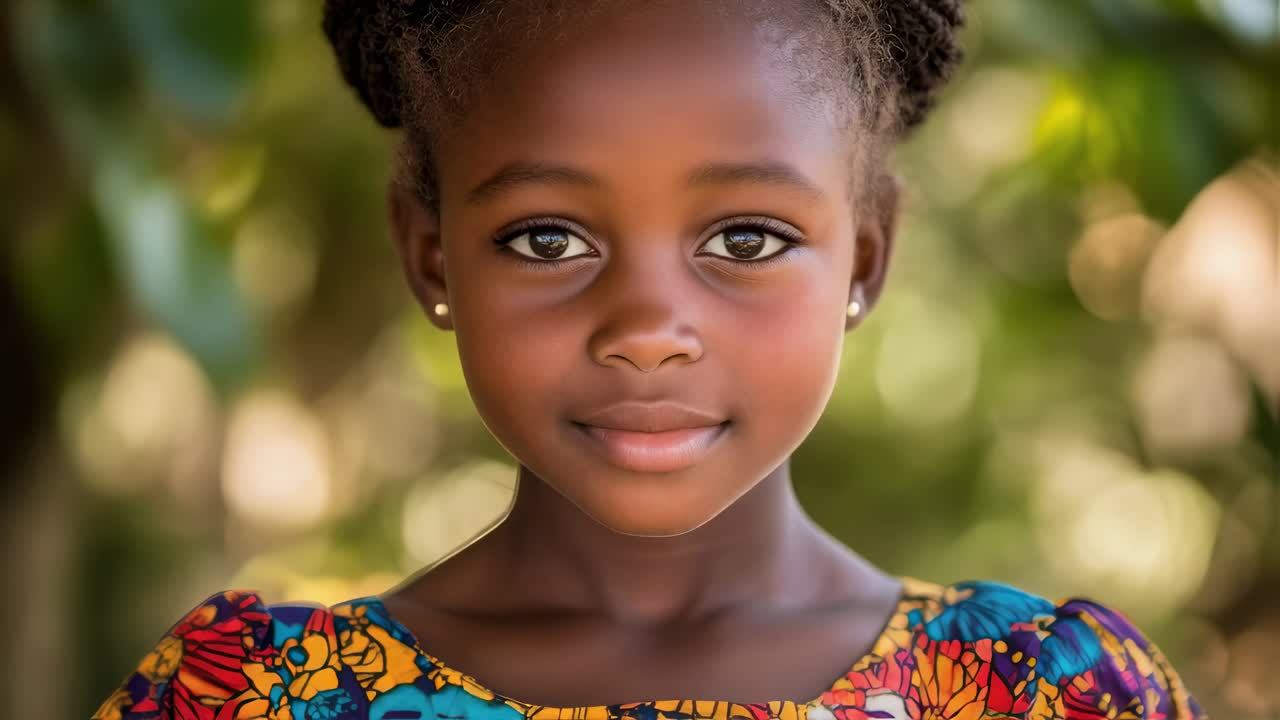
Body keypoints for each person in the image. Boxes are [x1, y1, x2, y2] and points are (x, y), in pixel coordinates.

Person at [92, 1, 1208, 718]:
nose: (644, 327)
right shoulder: (247, 698)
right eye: (546, 240)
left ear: (864, 256)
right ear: (427, 254)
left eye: (745, 240)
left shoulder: (1043, 694)